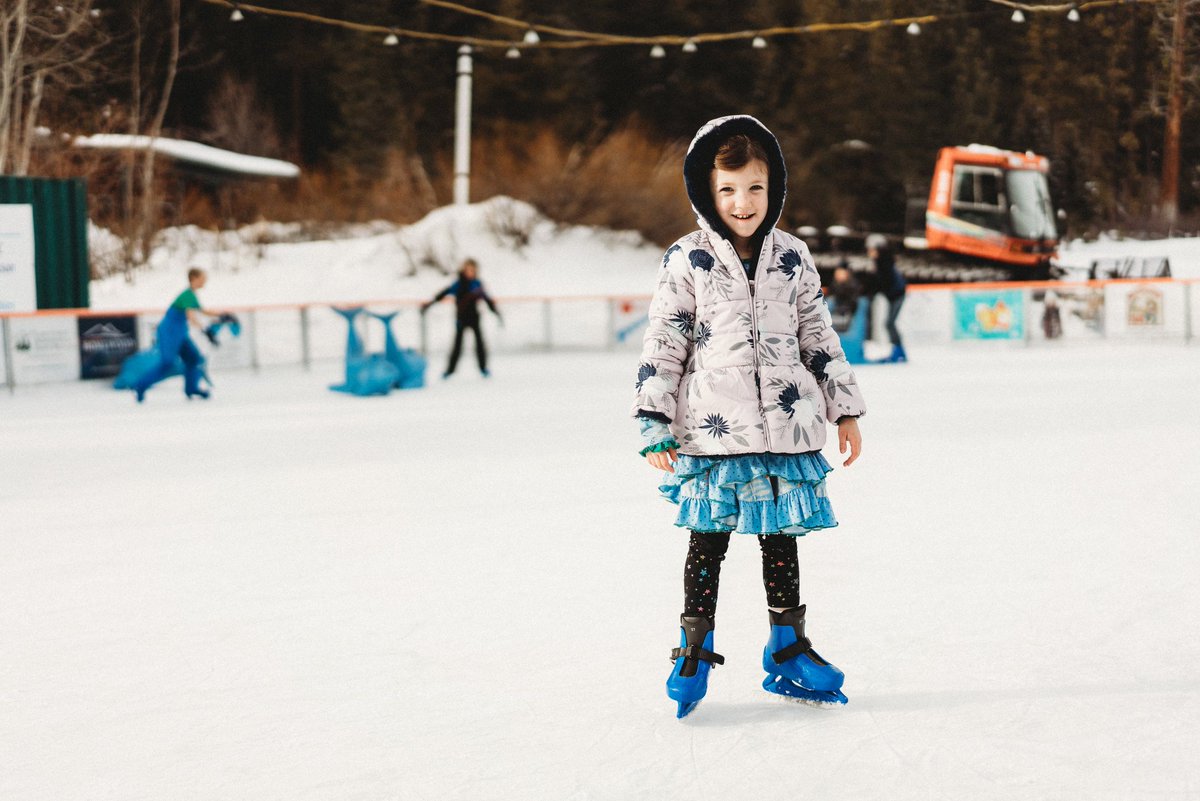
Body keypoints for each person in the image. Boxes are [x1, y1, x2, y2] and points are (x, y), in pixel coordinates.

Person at [632, 116, 866, 718]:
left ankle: (787, 649)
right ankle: (693, 645)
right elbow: (664, 341)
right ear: (708, 191)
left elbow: (818, 335)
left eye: (756, 188)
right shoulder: (687, 258)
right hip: (714, 432)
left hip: (787, 426)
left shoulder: (793, 256)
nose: (743, 203)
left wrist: (843, 407)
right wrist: (653, 418)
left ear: (774, 188)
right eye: (730, 190)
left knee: (780, 541)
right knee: (706, 543)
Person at [132, 267, 231, 403]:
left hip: (179, 333)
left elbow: (201, 311)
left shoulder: (191, 294)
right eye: (203, 278)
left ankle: (191, 388)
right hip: (170, 332)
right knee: (167, 363)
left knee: (194, 359)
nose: (205, 281)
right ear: (194, 279)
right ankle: (140, 385)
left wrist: (221, 315)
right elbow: (191, 316)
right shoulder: (187, 295)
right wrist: (206, 330)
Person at [421, 258, 502, 378]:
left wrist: (496, 313)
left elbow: (487, 299)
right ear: (464, 270)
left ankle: (483, 368)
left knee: (479, 344)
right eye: (468, 269)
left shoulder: (477, 284)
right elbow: (444, 293)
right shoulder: (459, 284)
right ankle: (450, 370)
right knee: (457, 345)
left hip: (474, 318)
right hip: (461, 318)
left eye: (472, 270)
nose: (470, 272)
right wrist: (430, 303)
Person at [866, 233, 907, 362]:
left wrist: (873, 291)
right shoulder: (880, 262)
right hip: (893, 295)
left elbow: (883, 282)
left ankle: (899, 351)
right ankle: (898, 350)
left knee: (889, 323)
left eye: (871, 250)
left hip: (897, 295)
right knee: (889, 323)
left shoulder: (885, 263)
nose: (869, 252)